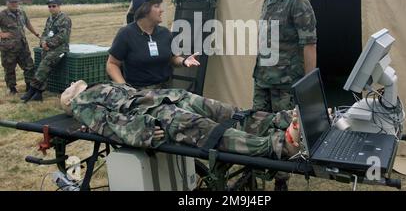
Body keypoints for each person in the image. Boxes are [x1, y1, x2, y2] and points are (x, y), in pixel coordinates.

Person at [61, 80, 302, 160]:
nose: (70, 85)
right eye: (68, 90)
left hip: (170, 98)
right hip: (160, 116)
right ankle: (279, 145)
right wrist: (141, 131)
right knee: (210, 131)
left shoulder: (99, 85)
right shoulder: (82, 104)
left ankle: (279, 120)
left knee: (227, 112)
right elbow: (106, 123)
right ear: (69, 102)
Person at [252, 0, 317, 190]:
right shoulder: (267, 1)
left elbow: (309, 43)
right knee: (257, 124)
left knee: (284, 131)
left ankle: (281, 179)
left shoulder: (297, 0)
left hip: (285, 81)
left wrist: (308, 84)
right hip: (262, 78)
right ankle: (255, 171)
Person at [106, 0, 199, 89]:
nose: (161, 10)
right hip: (140, 93)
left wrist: (184, 61)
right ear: (144, 10)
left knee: (208, 104)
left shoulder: (165, 33)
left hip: (166, 91)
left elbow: (173, 58)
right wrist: (125, 88)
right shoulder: (126, 34)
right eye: (157, 6)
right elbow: (112, 64)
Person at [21, 0, 72, 102]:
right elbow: (45, 32)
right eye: (49, 6)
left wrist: (48, 43)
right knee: (43, 66)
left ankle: (32, 89)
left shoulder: (65, 19)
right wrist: (43, 42)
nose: (51, 8)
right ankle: (39, 94)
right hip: (48, 48)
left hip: (60, 49)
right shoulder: (50, 19)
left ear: (59, 6)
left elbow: (63, 36)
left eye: (54, 6)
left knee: (44, 65)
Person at [0, 0, 40, 94]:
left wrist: (36, 33)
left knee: (29, 66)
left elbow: (27, 24)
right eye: (12, 2)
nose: (14, 4)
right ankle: (12, 89)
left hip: (23, 45)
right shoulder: (2, 14)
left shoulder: (22, 12)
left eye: (16, 2)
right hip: (9, 47)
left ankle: (29, 86)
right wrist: (1, 34)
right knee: (9, 68)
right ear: (7, 3)